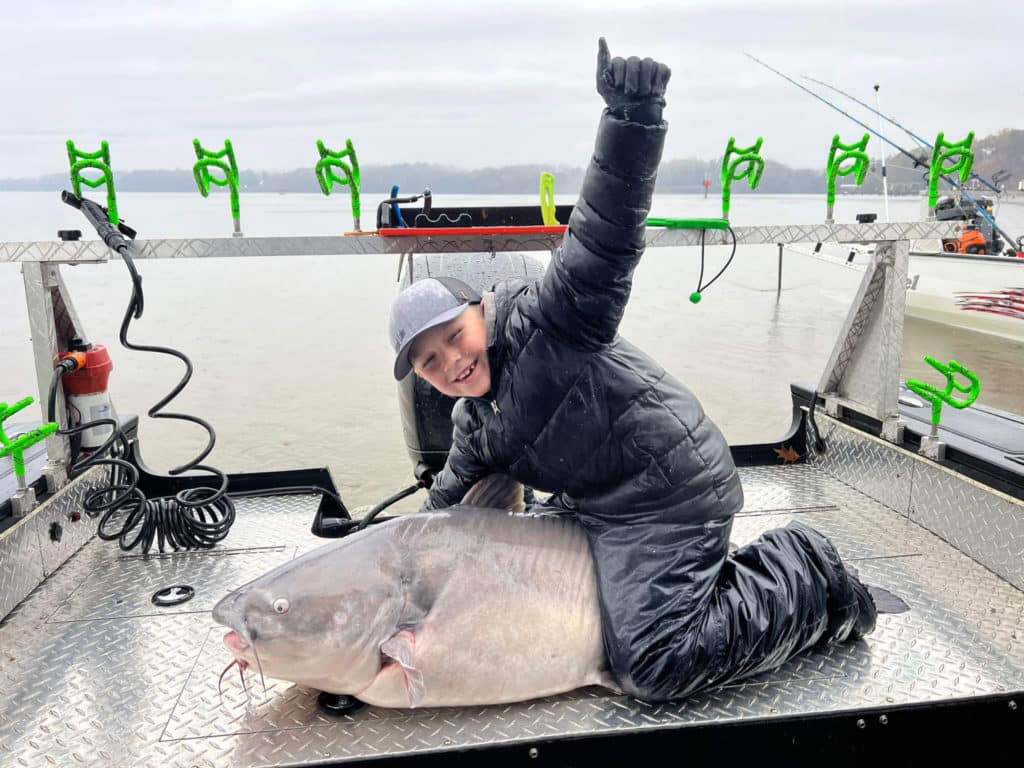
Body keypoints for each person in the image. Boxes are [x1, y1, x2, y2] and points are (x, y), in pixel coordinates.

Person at [387, 37, 876, 704]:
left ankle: (807, 571)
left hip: (669, 497)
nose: (452, 362)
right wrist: (382, 562)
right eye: (430, 362)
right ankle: (692, 585)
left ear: (480, 311)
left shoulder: (551, 322)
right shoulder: (475, 423)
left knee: (652, 664)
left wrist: (632, 116)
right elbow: (446, 507)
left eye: (453, 337)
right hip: (593, 506)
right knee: (501, 576)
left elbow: (602, 236)